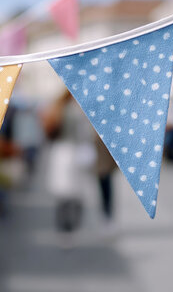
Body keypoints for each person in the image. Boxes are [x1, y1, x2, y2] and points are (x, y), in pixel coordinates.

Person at [42, 90, 95, 235]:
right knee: (67, 191)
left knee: (73, 191)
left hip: (71, 151)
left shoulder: (63, 107)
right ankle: (67, 226)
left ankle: (70, 225)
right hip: (67, 152)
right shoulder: (65, 108)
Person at [94, 136, 116, 223]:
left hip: (104, 168)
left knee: (106, 189)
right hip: (101, 167)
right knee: (104, 189)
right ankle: (105, 211)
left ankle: (107, 211)